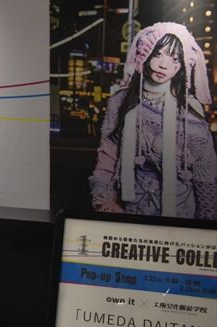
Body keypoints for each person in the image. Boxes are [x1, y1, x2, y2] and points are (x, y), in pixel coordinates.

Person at [90, 22, 216, 219]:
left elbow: (205, 172)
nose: (164, 65)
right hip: (129, 212)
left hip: (181, 215)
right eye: (158, 54)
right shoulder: (120, 101)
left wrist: (205, 222)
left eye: (175, 59)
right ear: (145, 54)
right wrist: (105, 203)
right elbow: (107, 157)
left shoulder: (189, 109)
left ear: (183, 65)